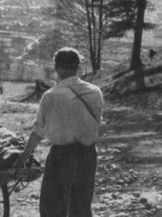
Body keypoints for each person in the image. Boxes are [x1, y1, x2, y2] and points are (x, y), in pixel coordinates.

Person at [14, 47, 103, 217]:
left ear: (56, 68)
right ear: (78, 67)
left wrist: (23, 157)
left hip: (61, 156)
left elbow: (38, 132)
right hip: (87, 155)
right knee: (81, 206)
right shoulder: (95, 92)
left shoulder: (50, 96)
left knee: (52, 207)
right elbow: (96, 122)